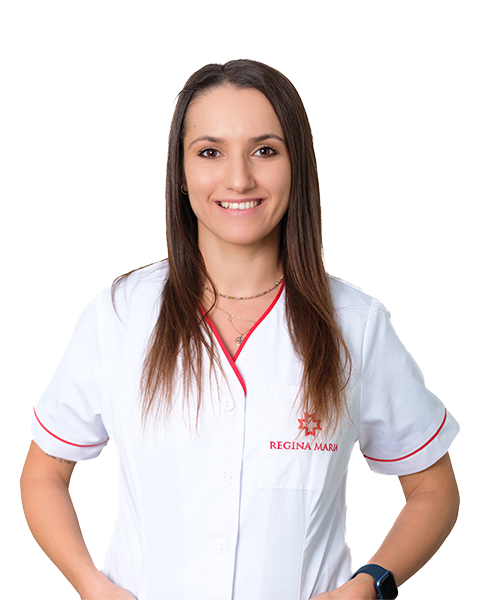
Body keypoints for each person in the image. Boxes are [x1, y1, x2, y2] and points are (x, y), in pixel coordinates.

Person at [20, 58, 460, 600]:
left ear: (297, 167)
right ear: (180, 174)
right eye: (210, 152)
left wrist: (370, 584)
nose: (238, 178)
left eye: (265, 150)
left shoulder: (356, 325)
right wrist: (92, 587)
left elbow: (433, 489)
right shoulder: (120, 315)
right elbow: (43, 475)